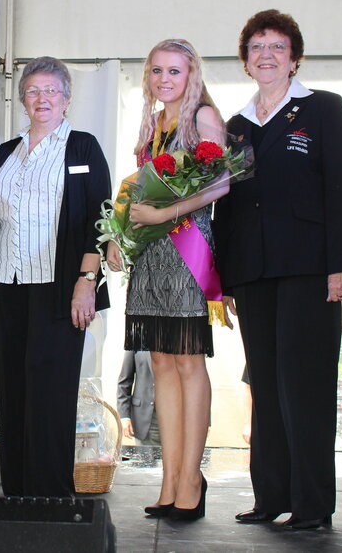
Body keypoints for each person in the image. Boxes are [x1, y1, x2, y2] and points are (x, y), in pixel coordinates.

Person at [214, 9, 342, 530]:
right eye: (257, 47)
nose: (267, 55)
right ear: (245, 60)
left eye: (278, 46)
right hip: (253, 273)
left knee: (306, 387)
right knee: (266, 385)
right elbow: (227, 205)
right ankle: (270, 496)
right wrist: (226, 277)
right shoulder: (236, 126)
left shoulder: (323, 109)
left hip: (309, 270)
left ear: (294, 58)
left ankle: (312, 504)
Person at [0, 56, 111, 497]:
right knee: (13, 389)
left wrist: (86, 281)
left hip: (62, 287)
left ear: (67, 99)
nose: (42, 98)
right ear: (22, 100)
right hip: (9, 283)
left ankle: (52, 496)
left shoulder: (83, 147)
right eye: (33, 90)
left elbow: (101, 218)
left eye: (51, 90)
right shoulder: (5, 153)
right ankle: (16, 494)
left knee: (51, 392)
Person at [106, 39, 229, 520]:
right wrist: (117, 234)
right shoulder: (153, 123)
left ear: (191, 73)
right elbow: (137, 188)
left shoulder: (204, 117)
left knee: (187, 361)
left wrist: (166, 212)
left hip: (188, 249)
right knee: (159, 360)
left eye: (174, 71)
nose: (164, 79)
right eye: (156, 71)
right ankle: (170, 478)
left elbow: (221, 183)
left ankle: (191, 479)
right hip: (151, 252)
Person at [116, 351, 159, 446]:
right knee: (145, 455)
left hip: (176, 419)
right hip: (145, 419)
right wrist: (124, 416)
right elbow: (124, 382)